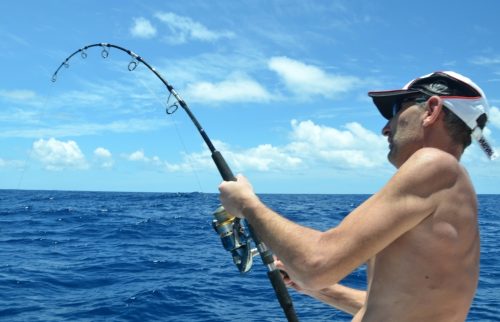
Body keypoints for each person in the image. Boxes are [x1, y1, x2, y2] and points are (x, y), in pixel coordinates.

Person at [218, 71, 496, 321]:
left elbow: (315, 265)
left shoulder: (435, 164)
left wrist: (246, 203)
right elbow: (400, 307)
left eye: (396, 110)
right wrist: (322, 291)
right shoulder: (453, 186)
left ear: (431, 110)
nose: (386, 128)